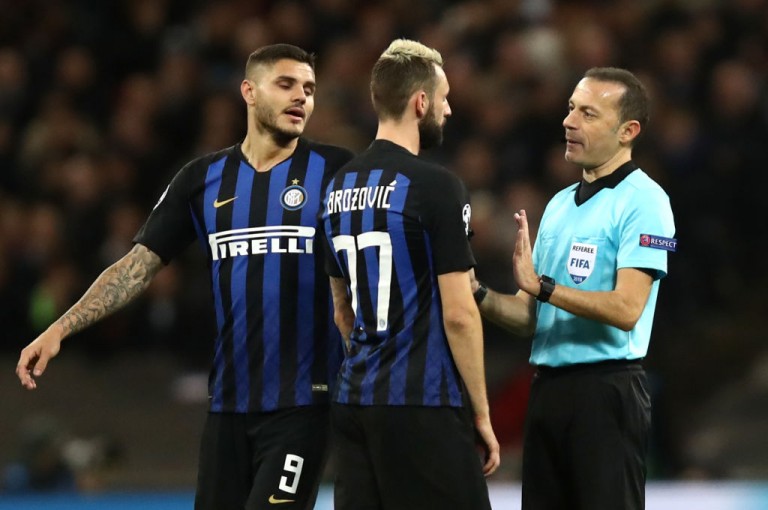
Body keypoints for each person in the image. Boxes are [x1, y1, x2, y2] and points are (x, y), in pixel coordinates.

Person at [16, 44, 354, 510]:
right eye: (286, 84)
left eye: (309, 89)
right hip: (228, 407)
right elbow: (136, 267)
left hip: (304, 406)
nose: (302, 97)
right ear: (249, 92)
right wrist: (61, 327)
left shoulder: (338, 173)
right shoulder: (202, 179)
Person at [472, 67, 676, 510]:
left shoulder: (646, 201)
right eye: (570, 109)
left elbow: (627, 309)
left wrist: (544, 288)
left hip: (606, 392)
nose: (568, 122)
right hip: (547, 390)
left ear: (628, 131)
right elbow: (528, 318)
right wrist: (474, 292)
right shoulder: (559, 205)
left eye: (588, 113)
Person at [321, 39, 500, 510]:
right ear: (421, 103)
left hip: (354, 401)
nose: (449, 109)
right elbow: (459, 313)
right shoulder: (437, 186)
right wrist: (481, 412)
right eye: (444, 98)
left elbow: (342, 310)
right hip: (422, 402)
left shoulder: (336, 189)